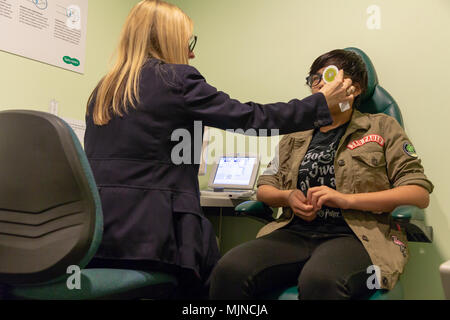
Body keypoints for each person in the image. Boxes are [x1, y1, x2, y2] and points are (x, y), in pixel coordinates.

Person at [83, 1, 354, 299]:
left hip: (99, 233)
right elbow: (254, 119)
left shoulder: (105, 89)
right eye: (188, 42)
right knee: (216, 271)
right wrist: (319, 103)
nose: (192, 52)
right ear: (168, 39)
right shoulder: (177, 80)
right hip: (152, 236)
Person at [209, 49, 434, 300]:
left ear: (354, 88)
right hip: (294, 232)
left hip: (357, 235)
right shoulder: (296, 134)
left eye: (327, 77)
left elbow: (418, 192)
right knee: (228, 271)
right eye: (313, 80)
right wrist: (288, 197)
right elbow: (264, 187)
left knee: (320, 280)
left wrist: (347, 200)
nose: (318, 87)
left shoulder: (382, 126)